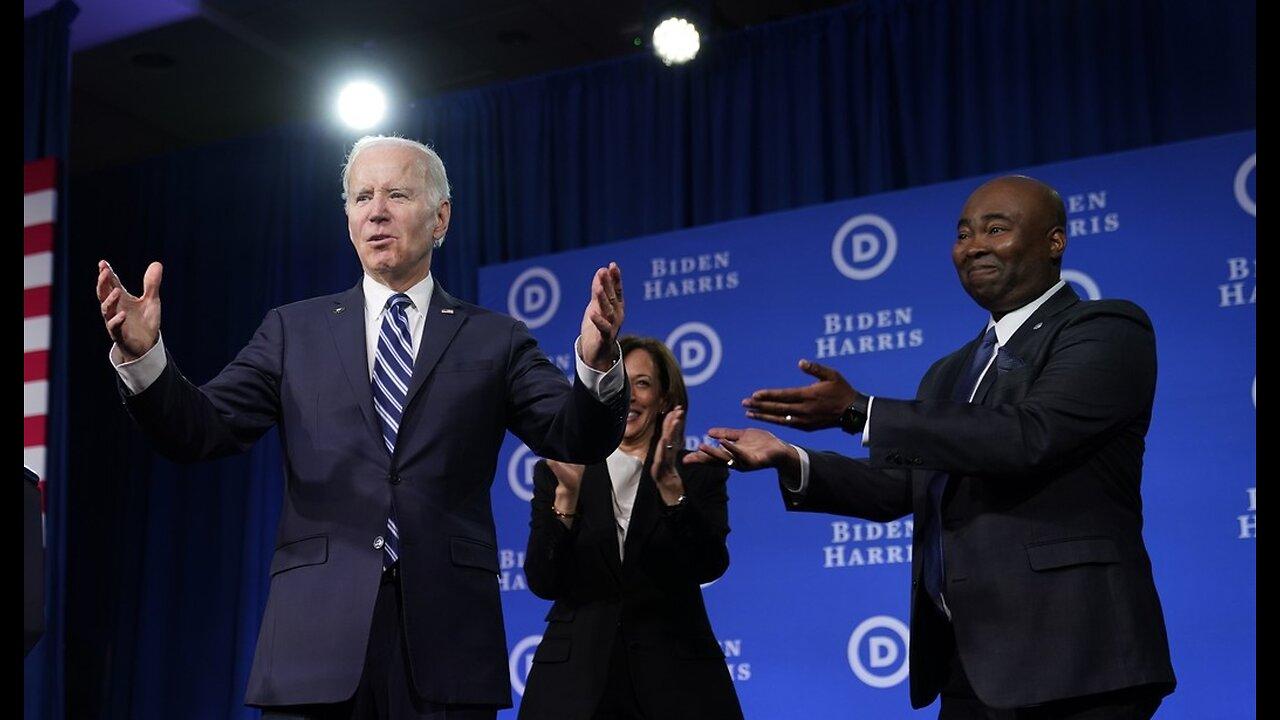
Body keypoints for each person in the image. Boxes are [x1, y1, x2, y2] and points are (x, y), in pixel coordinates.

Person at [95, 135, 630, 720]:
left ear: (440, 218)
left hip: (447, 640)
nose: (376, 211)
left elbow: (574, 434)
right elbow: (200, 430)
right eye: (361, 198)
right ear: (348, 218)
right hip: (314, 643)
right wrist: (147, 360)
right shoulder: (291, 331)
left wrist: (597, 362)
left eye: (397, 194)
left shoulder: (494, 338)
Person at [688, 176, 1176, 718]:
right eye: (964, 233)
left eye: (996, 229)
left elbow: (1029, 436)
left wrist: (859, 412)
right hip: (968, 661)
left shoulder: (1105, 329)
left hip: (1078, 659)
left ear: (1054, 241)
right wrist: (791, 458)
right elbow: (901, 486)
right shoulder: (948, 372)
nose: (974, 246)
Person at [519, 336, 743, 720]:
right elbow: (543, 581)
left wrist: (672, 488)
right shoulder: (561, 471)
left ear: (663, 399)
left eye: (642, 383)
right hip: (575, 684)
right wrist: (566, 500)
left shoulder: (698, 469)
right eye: (620, 383)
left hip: (678, 681)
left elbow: (709, 564)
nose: (631, 396)